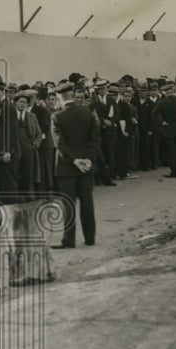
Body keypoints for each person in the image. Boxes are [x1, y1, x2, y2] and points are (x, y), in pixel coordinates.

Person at [50, 81, 98, 250]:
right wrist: (88, 159)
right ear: (72, 95)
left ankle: (69, 240)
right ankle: (90, 238)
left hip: (67, 167)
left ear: (59, 97)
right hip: (86, 166)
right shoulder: (88, 114)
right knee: (87, 201)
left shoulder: (57, 116)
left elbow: (60, 144)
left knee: (68, 204)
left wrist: (74, 160)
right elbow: (95, 140)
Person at [152, 82, 176, 178]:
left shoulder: (162, 102)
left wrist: (162, 122)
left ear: (166, 92)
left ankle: (174, 171)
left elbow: (154, 114)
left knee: (171, 152)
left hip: (169, 129)